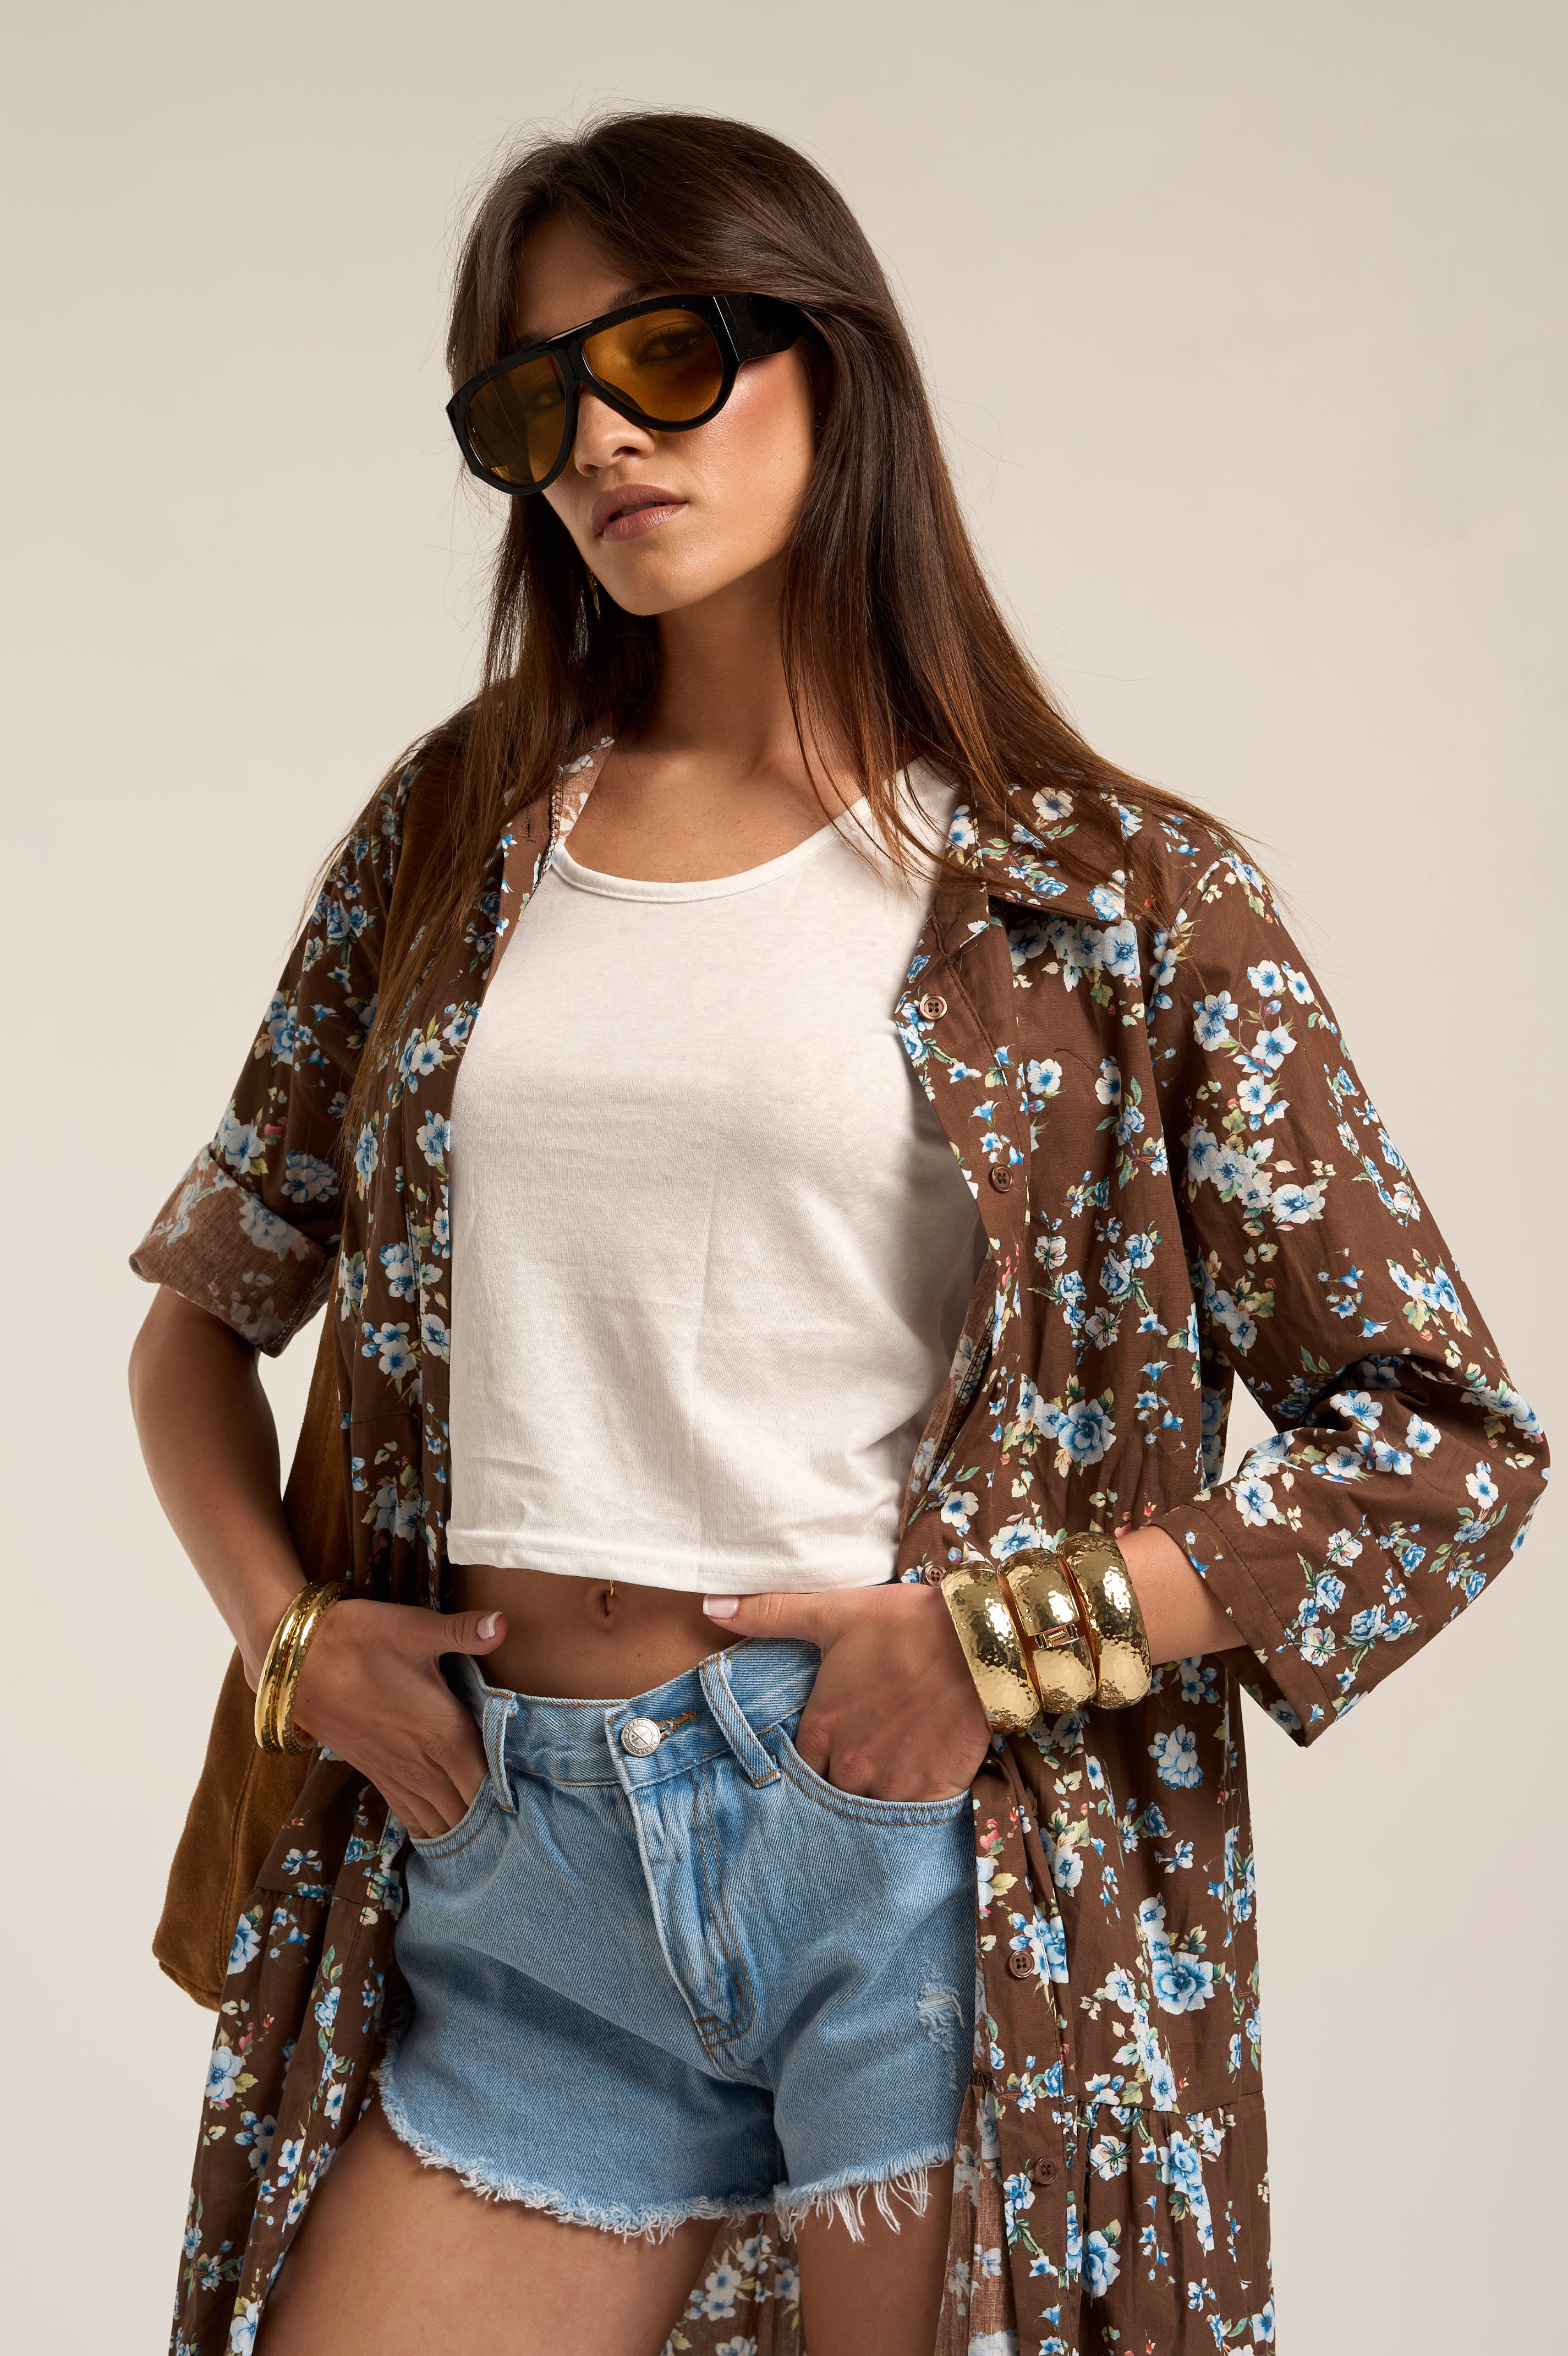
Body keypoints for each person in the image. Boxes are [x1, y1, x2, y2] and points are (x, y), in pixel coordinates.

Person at [128, 110, 1548, 2356]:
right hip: (509, 1857)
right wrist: (295, 1642)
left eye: (661, 357)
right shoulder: (450, 838)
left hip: (902, 1858)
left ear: (833, 360)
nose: (601, 439)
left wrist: (1006, 1641)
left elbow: (1441, 1444)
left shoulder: (1110, 897)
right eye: (534, 403)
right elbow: (203, 1318)